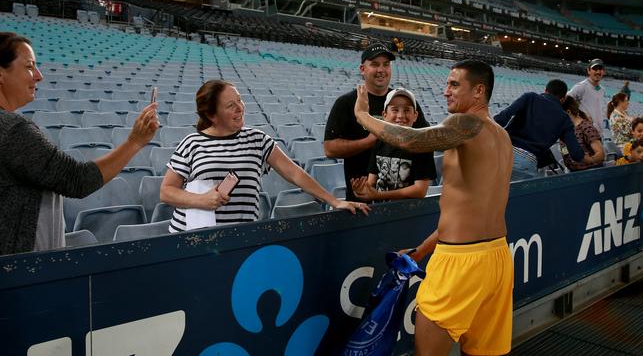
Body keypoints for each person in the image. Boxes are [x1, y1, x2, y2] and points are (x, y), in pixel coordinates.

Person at [354, 60, 514, 355]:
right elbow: (464, 212)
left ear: (479, 91)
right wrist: (420, 252)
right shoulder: (502, 136)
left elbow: (413, 140)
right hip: (498, 258)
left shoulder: (465, 123)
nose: (445, 91)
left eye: (454, 84)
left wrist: (363, 115)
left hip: (461, 264)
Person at [0, 32, 159, 256]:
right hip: (18, 271)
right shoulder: (12, 130)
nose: (39, 75)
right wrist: (135, 141)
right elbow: (77, 179)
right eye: (29, 66)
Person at [160, 80, 368, 233]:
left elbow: (294, 173)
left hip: (240, 238)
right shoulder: (191, 143)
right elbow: (167, 192)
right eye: (230, 105)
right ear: (211, 115)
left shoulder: (257, 139)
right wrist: (202, 200)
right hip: (191, 237)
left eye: (239, 100)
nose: (239, 108)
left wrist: (333, 201)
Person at [324, 43, 430, 201]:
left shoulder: (404, 103)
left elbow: (424, 140)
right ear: (362, 69)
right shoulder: (346, 103)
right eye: (374, 64)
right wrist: (370, 141)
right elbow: (330, 149)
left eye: (386, 64)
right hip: (361, 199)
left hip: (403, 202)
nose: (381, 70)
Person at [350, 88, 435, 202]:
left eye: (407, 110)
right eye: (395, 110)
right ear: (384, 115)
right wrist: (363, 190)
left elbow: (420, 190)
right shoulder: (380, 142)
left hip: (408, 214)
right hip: (380, 211)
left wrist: (378, 196)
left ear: (415, 115)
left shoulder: (422, 146)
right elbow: (372, 180)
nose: (400, 116)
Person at [493, 79, 585, 179]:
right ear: (563, 99)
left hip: (501, 152)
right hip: (526, 162)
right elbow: (576, 154)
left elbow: (501, 118)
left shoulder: (530, 97)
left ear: (545, 90)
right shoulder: (565, 119)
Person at [560, 96, 604, 171]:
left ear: (568, 112)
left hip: (590, 172)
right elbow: (564, 149)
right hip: (573, 172)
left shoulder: (586, 127)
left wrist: (590, 160)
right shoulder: (565, 129)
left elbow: (601, 154)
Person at [567, 58, 606, 133]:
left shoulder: (602, 89)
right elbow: (567, 100)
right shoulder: (581, 86)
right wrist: (580, 115)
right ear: (588, 71)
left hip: (597, 131)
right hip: (584, 130)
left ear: (603, 72)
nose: (598, 72)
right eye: (595, 69)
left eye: (600, 69)